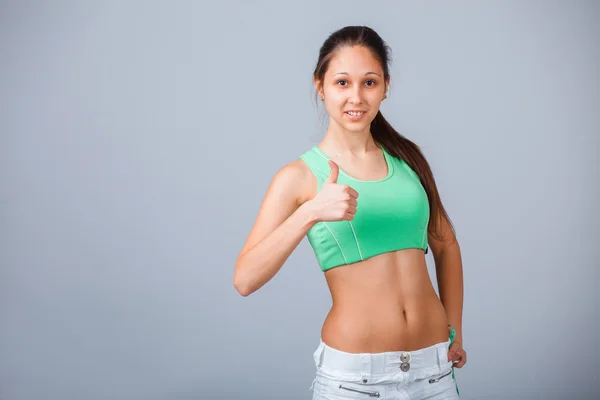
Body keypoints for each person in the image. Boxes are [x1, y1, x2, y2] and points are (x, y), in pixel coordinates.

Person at [233, 25, 466, 399]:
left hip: (433, 373)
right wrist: (309, 212)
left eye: (369, 83)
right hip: (356, 382)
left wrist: (454, 328)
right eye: (342, 83)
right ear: (320, 86)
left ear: (386, 86)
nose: (355, 96)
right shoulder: (298, 177)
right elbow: (244, 279)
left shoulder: (409, 161)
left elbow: (446, 244)